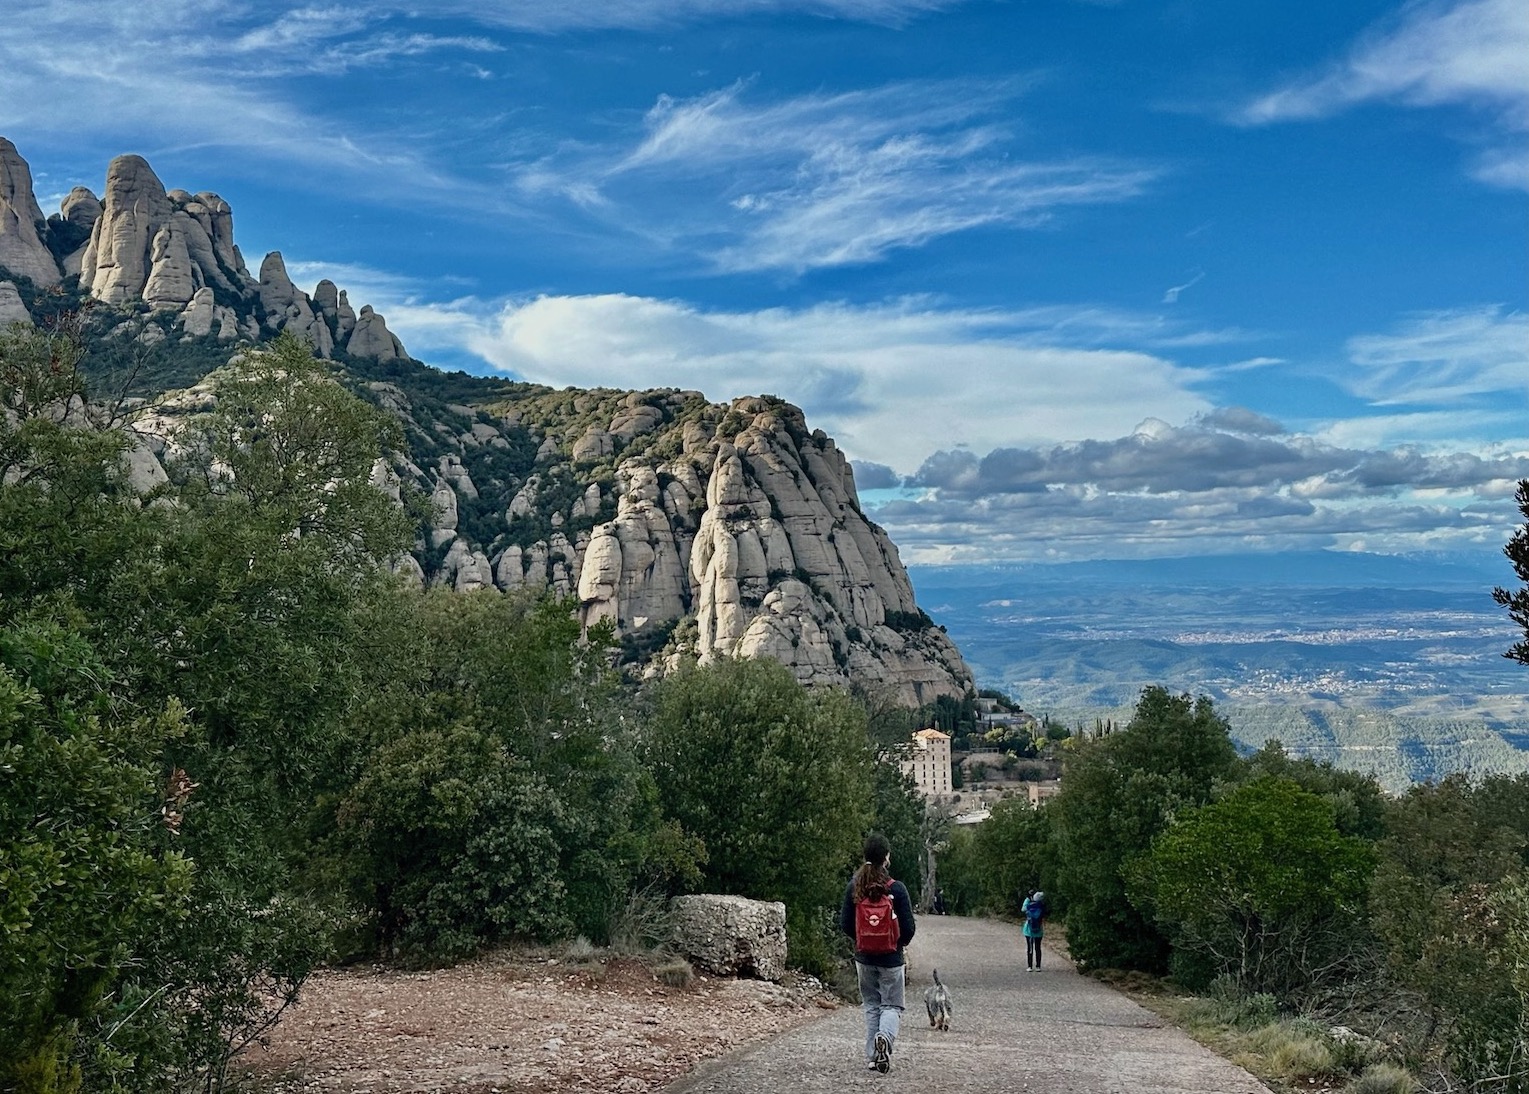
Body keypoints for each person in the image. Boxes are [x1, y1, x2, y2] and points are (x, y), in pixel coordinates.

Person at [840, 832, 916, 1074]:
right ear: (887, 857)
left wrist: (862, 940)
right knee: (892, 1005)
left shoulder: (855, 887)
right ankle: (884, 1037)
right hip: (891, 958)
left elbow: (844, 924)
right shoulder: (898, 889)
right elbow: (909, 928)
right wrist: (896, 944)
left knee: (872, 1005)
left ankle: (873, 1057)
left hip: (864, 959)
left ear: (865, 856)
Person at [1021, 890, 1046, 971]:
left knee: (1030, 948)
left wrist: (1028, 900)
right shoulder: (1041, 906)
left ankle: (1030, 966)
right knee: (1038, 948)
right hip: (1039, 930)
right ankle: (1038, 966)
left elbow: (1023, 909)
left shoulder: (1028, 905)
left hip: (1029, 930)